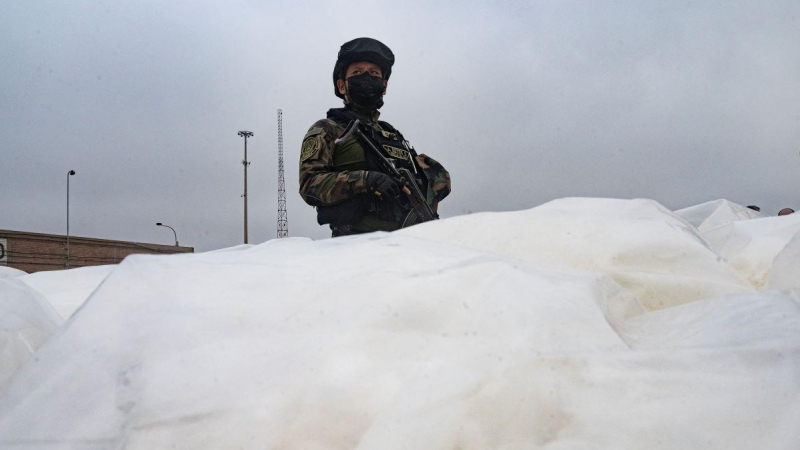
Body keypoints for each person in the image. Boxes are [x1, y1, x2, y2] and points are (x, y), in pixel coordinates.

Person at [299, 37, 451, 237]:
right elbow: (310, 185)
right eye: (357, 72)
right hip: (354, 246)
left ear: (384, 85)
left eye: (373, 73)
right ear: (342, 86)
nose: (366, 78)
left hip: (408, 244)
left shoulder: (392, 135)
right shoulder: (328, 129)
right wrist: (366, 180)